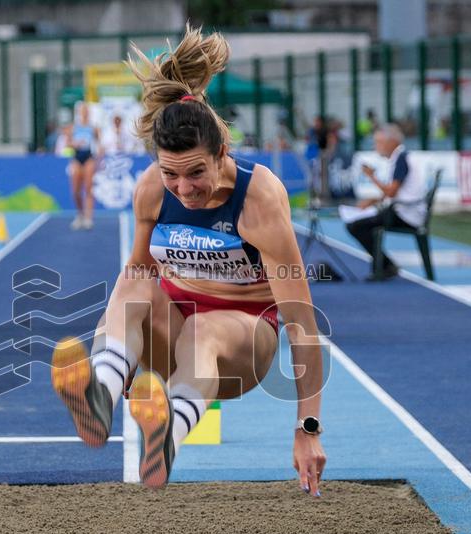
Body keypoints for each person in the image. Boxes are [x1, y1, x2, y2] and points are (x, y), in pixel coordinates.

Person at [50, 27, 326, 495]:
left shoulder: (258, 200)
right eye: (170, 173)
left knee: (205, 329)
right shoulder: (152, 192)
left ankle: (168, 434)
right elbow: (134, 283)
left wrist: (309, 428)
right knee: (135, 280)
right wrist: (123, 347)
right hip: (169, 335)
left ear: (221, 153)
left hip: (242, 348)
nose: (184, 189)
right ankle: (103, 387)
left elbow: (302, 322)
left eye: (196, 172)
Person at [344, 124, 427, 281]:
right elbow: (394, 192)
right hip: (403, 210)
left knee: (356, 226)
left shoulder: (401, 159)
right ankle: (384, 264)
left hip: (406, 214)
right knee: (358, 224)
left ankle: (385, 265)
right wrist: (372, 201)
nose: (376, 147)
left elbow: (391, 192)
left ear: (392, 141)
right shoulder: (400, 157)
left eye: (379, 142)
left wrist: (371, 176)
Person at [66, 102, 100, 230]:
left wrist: (99, 159)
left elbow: (99, 144)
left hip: (88, 157)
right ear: (79, 113)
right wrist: (74, 143)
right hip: (77, 156)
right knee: (75, 190)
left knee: (88, 188)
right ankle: (80, 214)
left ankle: (88, 217)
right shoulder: (74, 127)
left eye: (86, 110)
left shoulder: (93, 127)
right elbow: (67, 143)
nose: (84, 113)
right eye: (82, 111)